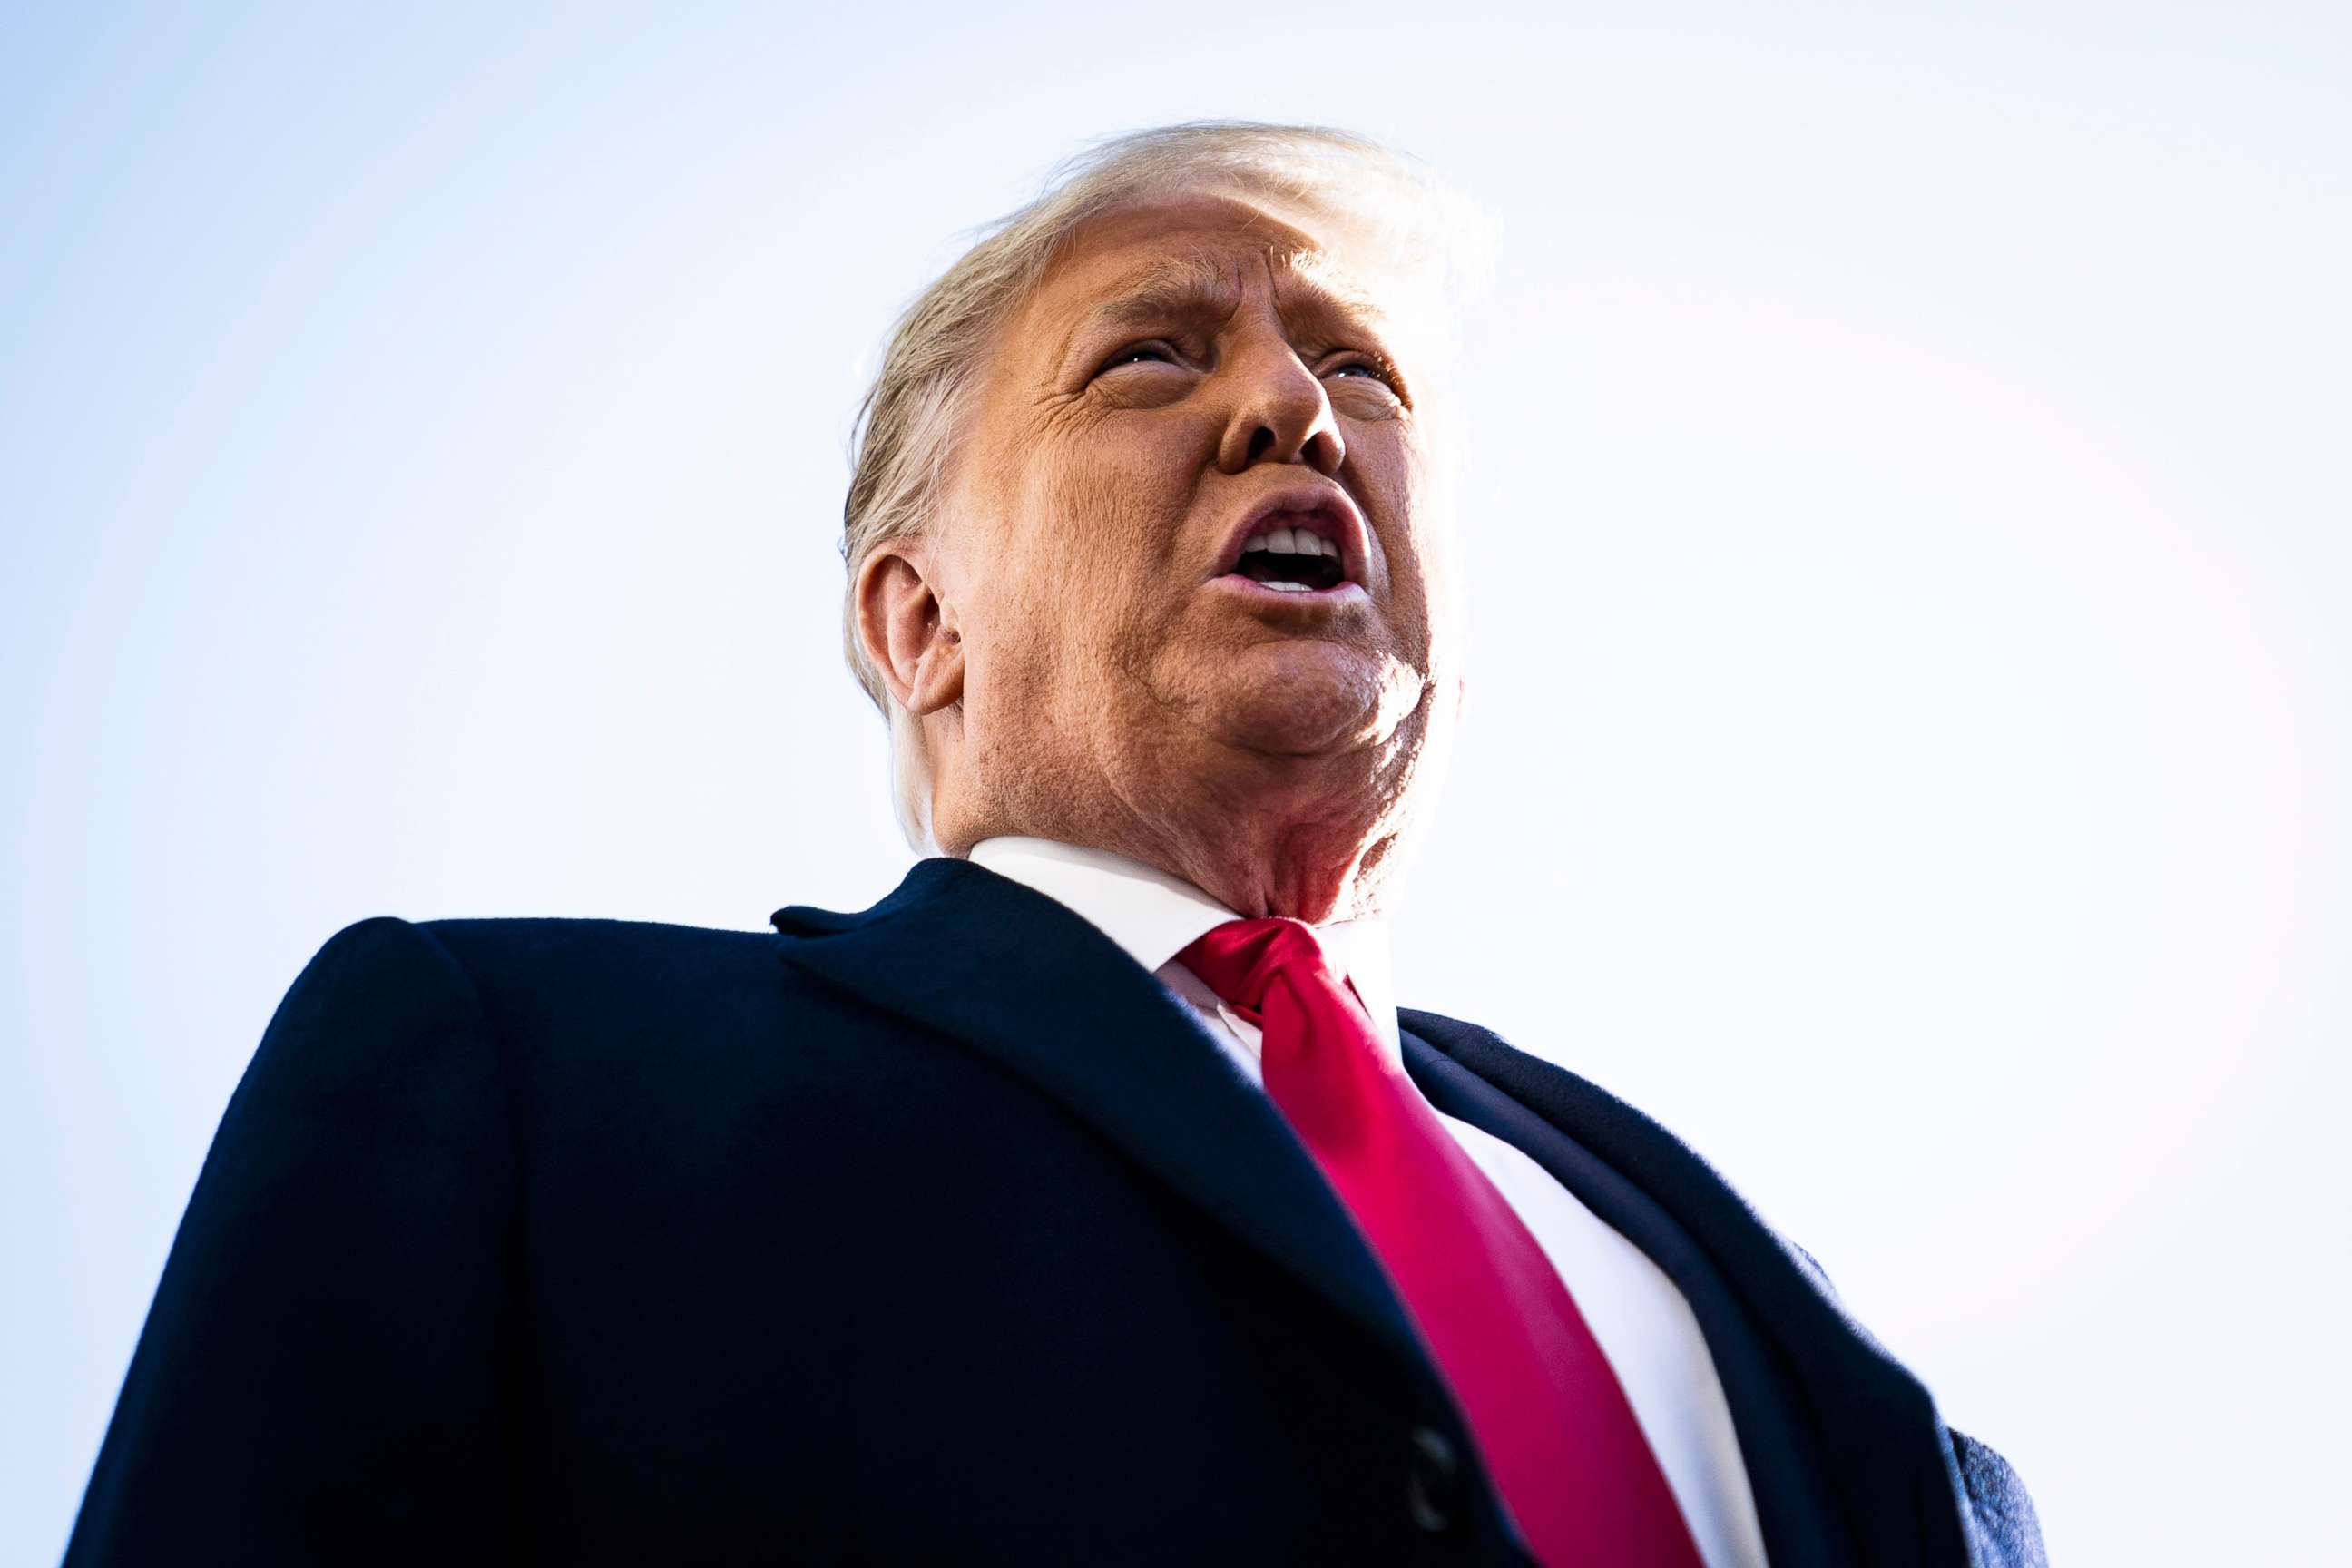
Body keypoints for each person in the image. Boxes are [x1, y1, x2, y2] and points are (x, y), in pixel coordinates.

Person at [64, 122, 2045, 1566]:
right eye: (1155, 356)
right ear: (919, 620)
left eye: (1359, 367)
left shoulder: (1761, 1302)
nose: (1294, 407)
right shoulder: (517, 1071)